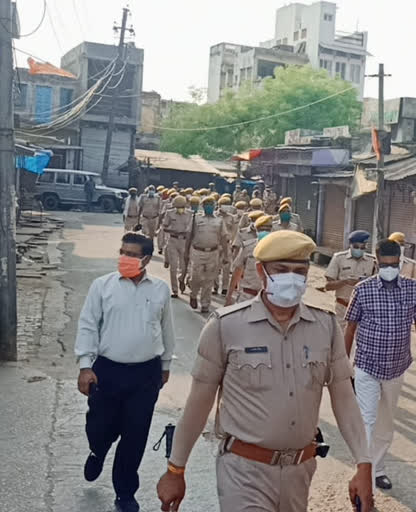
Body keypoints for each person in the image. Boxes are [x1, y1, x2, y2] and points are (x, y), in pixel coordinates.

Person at [156, 231, 374, 512]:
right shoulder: (226, 326)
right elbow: (198, 403)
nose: (292, 278)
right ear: (261, 271)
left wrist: (363, 464)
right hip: (243, 471)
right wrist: (176, 469)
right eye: (281, 270)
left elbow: (344, 398)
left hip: (300, 471)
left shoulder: (325, 327)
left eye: (300, 271)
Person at [75, 232, 175, 512]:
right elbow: (87, 324)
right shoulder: (102, 286)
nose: (125, 258)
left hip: (145, 374)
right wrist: (85, 365)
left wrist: (165, 365)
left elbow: (167, 329)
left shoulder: (160, 289)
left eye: (131, 254)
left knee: (135, 434)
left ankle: (125, 493)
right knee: (100, 426)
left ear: (145, 258)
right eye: (122, 252)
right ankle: (97, 450)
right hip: (107, 371)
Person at [344, 239, 416, 491]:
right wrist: (343, 365)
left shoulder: (413, 289)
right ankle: (364, 477)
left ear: (400, 262)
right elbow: (350, 328)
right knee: (367, 420)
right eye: (384, 264)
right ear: (376, 260)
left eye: (394, 265)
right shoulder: (363, 290)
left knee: (386, 423)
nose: (389, 269)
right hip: (367, 365)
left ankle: (378, 468)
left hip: (396, 368)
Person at [184, 196, 228, 314]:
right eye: (206, 204)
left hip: (213, 252)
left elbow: (224, 238)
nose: (209, 206)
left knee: (209, 279)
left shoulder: (219, 220)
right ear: (202, 206)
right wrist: (186, 251)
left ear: (214, 206)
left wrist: (226, 255)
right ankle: (193, 294)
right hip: (197, 251)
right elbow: (189, 235)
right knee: (195, 277)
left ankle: (205, 304)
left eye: (211, 204)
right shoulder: (196, 218)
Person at [325, 230, 377, 330]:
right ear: (350, 245)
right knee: (340, 339)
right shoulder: (339, 258)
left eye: (362, 247)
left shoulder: (372, 261)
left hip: (364, 309)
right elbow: (328, 286)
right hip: (343, 307)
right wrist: (345, 281)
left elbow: (376, 286)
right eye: (356, 247)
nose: (359, 250)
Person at [225, 215, 273, 305]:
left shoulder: (279, 249)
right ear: (256, 231)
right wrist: (229, 296)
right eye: (262, 229)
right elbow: (237, 272)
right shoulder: (248, 247)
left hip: (269, 298)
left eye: (268, 229)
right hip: (247, 296)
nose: (265, 231)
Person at [162, 196, 192, 298]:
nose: (180, 208)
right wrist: (173, 231)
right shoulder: (169, 213)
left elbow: (192, 229)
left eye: (182, 206)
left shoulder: (190, 214)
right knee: (173, 267)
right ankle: (175, 290)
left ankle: (181, 279)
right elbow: (164, 227)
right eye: (178, 206)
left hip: (184, 241)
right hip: (173, 240)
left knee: (184, 267)